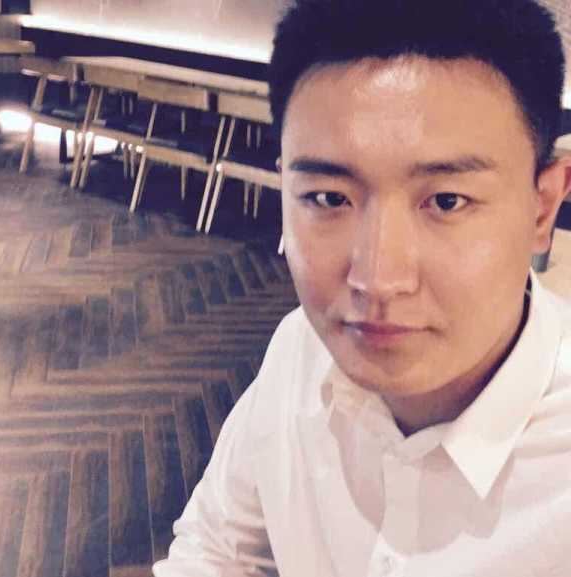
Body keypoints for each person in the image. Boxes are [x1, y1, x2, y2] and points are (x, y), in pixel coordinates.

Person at [154, 0, 571, 575]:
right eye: (329, 198)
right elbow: (216, 549)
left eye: (447, 201)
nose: (377, 279)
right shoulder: (302, 349)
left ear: (542, 207)